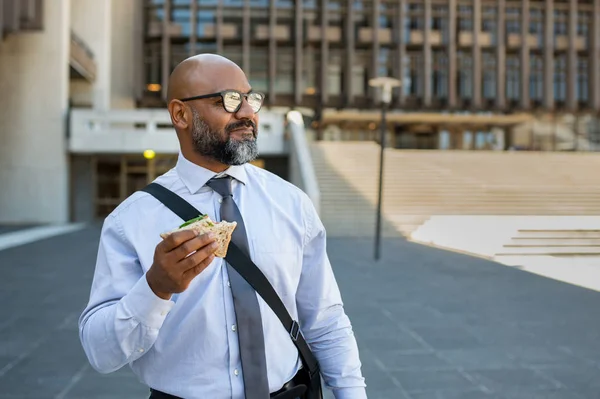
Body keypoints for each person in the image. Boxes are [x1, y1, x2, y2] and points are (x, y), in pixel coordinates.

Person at [78, 54, 367, 399]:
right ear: (180, 114)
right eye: (229, 100)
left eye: (250, 99)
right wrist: (155, 288)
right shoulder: (130, 221)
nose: (247, 112)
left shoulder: (292, 204)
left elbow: (325, 319)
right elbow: (101, 353)